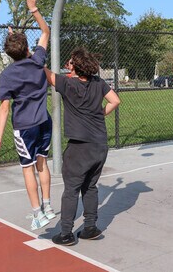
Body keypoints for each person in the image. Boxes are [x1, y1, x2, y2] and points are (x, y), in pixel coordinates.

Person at [0, 0, 56, 231]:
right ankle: (48, 206)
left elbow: (4, 109)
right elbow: (46, 32)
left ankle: (37, 213)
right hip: (43, 122)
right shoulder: (38, 61)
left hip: (24, 127)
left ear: (8, 53)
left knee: (27, 169)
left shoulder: (7, 75)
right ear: (27, 48)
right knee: (42, 164)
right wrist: (33, 8)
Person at [44, 47, 121, 246]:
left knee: (71, 189)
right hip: (99, 145)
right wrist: (100, 113)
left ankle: (66, 233)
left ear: (75, 66)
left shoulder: (68, 83)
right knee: (90, 187)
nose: (67, 65)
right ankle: (90, 227)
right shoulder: (99, 83)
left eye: (69, 62)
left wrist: (29, 53)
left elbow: (43, 72)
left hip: (79, 147)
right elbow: (115, 100)